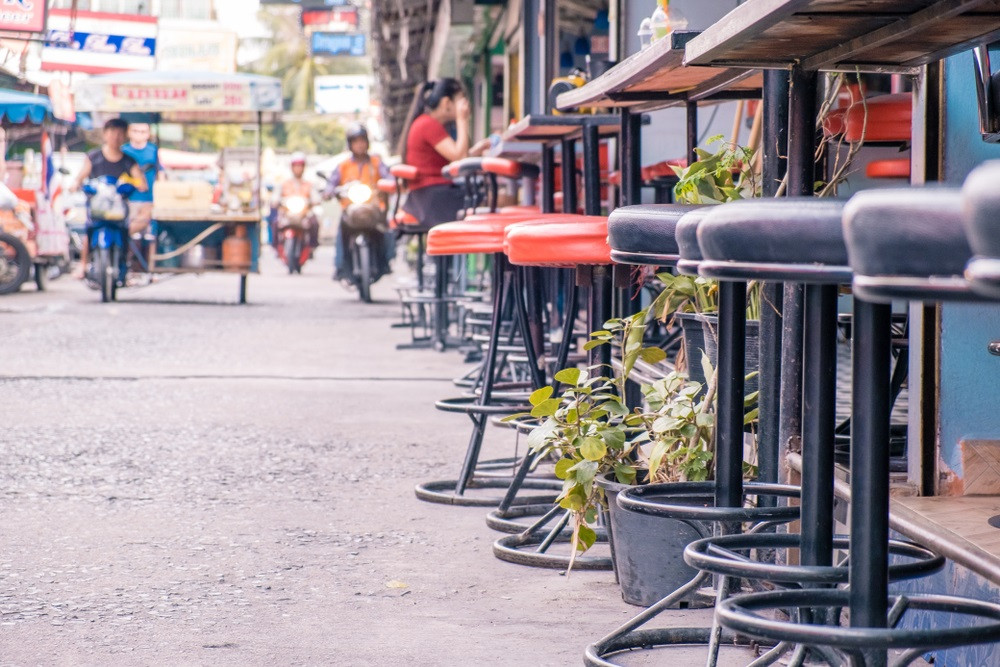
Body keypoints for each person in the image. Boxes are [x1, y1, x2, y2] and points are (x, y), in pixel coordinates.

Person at [401, 78, 492, 227]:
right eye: (461, 99)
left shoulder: (427, 123)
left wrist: (478, 149)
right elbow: (459, 157)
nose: (466, 104)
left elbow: (458, 156)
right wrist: (462, 120)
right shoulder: (428, 124)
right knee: (500, 199)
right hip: (434, 198)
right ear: (446, 103)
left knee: (492, 196)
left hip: (429, 197)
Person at [72, 118, 147, 279]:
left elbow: (141, 182)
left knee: (125, 232)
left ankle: (125, 266)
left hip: (119, 208)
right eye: (113, 132)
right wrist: (75, 184)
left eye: (120, 133)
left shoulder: (128, 161)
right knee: (89, 230)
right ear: (105, 134)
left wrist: (134, 183)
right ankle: (83, 264)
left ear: (125, 136)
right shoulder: (94, 157)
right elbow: (80, 177)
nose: (116, 137)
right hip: (98, 206)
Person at [324, 123, 391, 281]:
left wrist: (390, 183)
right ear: (350, 144)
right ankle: (340, 266)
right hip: (351, 209)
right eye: (356, 141)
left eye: (362, 140)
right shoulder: (343, 165)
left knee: (386, 231)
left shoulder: (376, 162)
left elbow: (388, 176)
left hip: (372, 207)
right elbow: (332, 183)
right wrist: (329, 191)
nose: (360, 144)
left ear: (367, 142)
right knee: (342, 231)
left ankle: (386, 261)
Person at [121, 122, 159, 236]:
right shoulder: (123, 150)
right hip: (128, 200)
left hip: (149, 199)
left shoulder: (154, 151)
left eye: (142, 131)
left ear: (148, 134)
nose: (139, 134)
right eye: (135, 131)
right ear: (129, 132)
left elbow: (160, 174)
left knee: (150, 235)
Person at [277, 152, 319, 253]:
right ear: (292, 167)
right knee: (275, 222)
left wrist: (314, 202)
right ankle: (276, 246)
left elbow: (316, 198)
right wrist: (276, 202)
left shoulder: (309, 184)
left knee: (314, 222)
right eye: (296, 166)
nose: (298, 168)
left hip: (304, 213)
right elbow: (275, 197)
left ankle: (312, 246)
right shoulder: (285, 184)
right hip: (288, 213)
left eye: (300, 166)